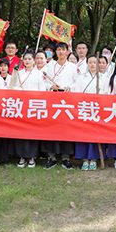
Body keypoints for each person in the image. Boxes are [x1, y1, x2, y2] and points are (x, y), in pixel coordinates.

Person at [41, 42, 77, 170]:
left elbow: (77, 82)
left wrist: (69, 87)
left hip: (67, 100)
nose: (61, 52)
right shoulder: (49, 66)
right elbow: (44, 82)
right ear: (55, 52)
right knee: (51, 128)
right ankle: (51, 157)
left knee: (66, 128)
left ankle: (66, 157)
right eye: (58, 50)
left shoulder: (73, 67)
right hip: (53, 99)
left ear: (67, 51)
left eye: (63, 50)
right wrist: (50, 86)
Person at [9, 51, 45, 168]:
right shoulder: (19, 73)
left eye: (29, 59)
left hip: (33, 106)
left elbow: (42, 90)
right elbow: (12, 87)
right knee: (21, 132)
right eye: (25, 59)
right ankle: (22, 156)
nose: (27, 61)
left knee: (32, 132)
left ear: (34, 60)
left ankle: (32, 157)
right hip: (21, 106)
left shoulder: (39, 74)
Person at [73, 56, 107, 171]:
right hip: (84, 107)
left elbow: (107, 92)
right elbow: (77, 91)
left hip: (97, 108)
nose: (92, 64)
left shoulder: (103, 77)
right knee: (84, 133)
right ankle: (84, 159)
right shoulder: (82, 77)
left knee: (96, 133)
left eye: (94, 62)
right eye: (90, 62)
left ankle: (94, 159)